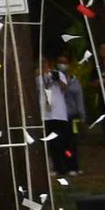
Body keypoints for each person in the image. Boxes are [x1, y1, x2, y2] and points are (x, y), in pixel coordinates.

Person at [39, 53, 81, 181]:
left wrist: (57, 79)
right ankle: (58, 168)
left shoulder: (58, 74)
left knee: (65, 142)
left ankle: (72, 167)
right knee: (52, 144)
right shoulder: (38, 77)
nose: (43, 65)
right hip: (46, 115)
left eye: (45, 62)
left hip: (59, 114)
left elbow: (65, 89)